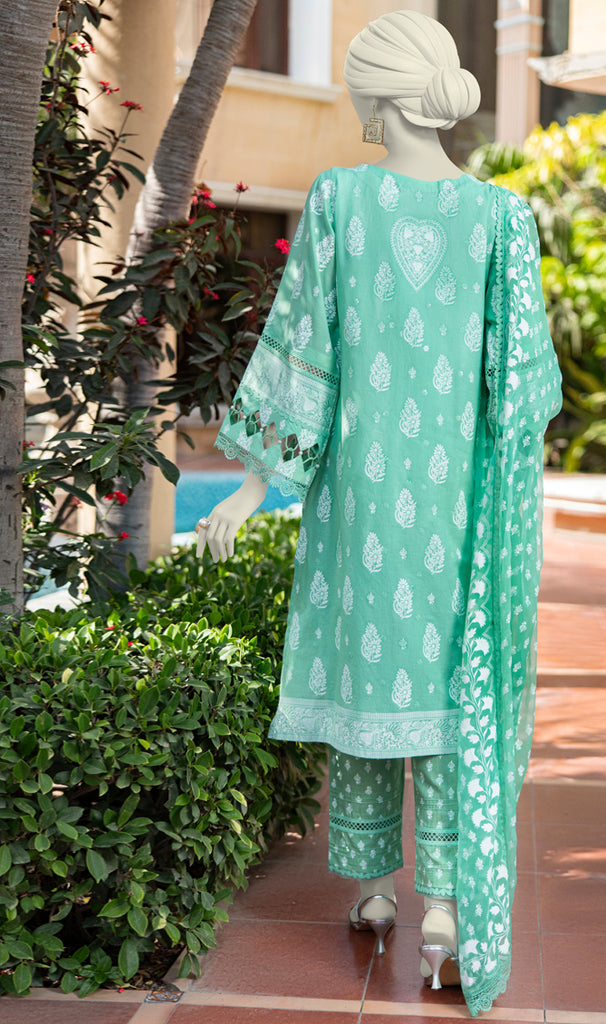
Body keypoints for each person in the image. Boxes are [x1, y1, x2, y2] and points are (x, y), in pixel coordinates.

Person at [196, 10, 562, 1017]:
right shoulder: (502, 218)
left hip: (361, 506)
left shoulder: (340, 199)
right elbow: (523, 389)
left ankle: (373, 892)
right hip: (458, 516)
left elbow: (303, 350)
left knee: (367, 694)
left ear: (379, 96)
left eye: (358, 87)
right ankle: (440, 909)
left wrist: (252, 482)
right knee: (444, 700)